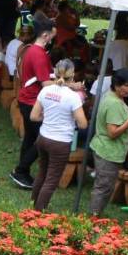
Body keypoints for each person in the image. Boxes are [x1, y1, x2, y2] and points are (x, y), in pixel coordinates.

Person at [30, 59, 88, 211]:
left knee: (42, 173)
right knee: (51, 180)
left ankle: (31, 207)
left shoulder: (45, 91)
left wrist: (48, 117)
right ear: (73, 75)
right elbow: (83, 124)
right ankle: (38, 213)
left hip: (43, 138)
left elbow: (34, 116)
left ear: (54, 73)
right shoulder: (73, 97)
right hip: (60, 142)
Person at [86, 68, 128, 215]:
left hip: (107, 150)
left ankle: (96, 216)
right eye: (126, 85)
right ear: (116, 85)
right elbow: (113, 133)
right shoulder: (114, 103)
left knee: (106, 186)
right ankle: (92, 218)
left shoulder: (113, 98)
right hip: (107, 151)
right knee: (103, 187)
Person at [11, 14, 55, 190]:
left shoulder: (31, 50)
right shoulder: (38, 54)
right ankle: (21, 171)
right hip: (32, 102)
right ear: (45, 35)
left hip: (25, 99)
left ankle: (23, 172)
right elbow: (45, 83)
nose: (53, 39)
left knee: (30, 137)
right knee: (41, 140)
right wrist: (68, 85)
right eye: (52, 35)